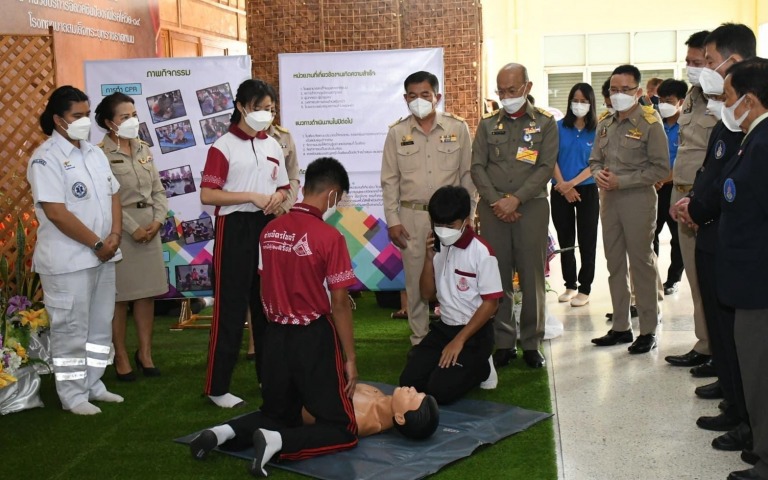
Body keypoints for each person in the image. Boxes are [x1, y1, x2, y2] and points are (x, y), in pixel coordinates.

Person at [200, 157, 358, 476]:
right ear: (332, 194)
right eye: (339, 199)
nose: (337, 205)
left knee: (277, 413)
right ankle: (279, 442)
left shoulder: (271, 229)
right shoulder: (330, 237)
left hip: (274, 337)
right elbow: (340, 304)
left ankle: (224, 433)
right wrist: (350, 357)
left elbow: (263, 283)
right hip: (311, 336)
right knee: (342, 429)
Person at [673, 23, 755, 458]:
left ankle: (747, 418)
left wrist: (700, 206)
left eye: (708, 63)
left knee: (739, 334)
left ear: (733, 63)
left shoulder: (749, 112)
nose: (702, 71)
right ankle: (732, 397)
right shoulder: (726, 112)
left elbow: (735, 180)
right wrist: (693, 203)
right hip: (707, 225)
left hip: (731, 236)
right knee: (724, 332)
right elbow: (711, 166)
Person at [26, 86, 123, 415]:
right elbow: (55, 211)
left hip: (105, 254)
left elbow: (113, 194)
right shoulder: (46, 158)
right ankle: (71, 394)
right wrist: (96, 243)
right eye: (76, 116)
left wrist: (114, 234)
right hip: (68, 261)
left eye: (86, 114)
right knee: (70, 328)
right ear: (58, 119)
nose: (84, 121)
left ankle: (93, 383)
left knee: (99, 323)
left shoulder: (94, 153)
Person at [200, 79, 290, 408]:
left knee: (267, 306)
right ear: (241, 107)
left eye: (271, 109)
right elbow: (208, 194)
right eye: (261, 108)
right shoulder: (223, 147)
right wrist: (250, 196)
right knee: (230, 308)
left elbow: (283, 186)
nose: (267, 114)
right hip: (234, 227)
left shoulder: (273, 145)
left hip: (267, 226)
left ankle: (270, 378)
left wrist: (277, 197)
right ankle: (217, 387)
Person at [471, 63, 557, 369]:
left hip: (531, 207)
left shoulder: (546, 123)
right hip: (493, 210)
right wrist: (498, 202)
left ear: (527, 87)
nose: (506, 96)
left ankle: (532, 342)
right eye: (501, 91)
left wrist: (516, 200)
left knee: (532, 276)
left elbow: (546, 167)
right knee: (498, 274)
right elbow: (477, 167)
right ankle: (504, 342)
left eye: (512, 90)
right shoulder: (487, 124)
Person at [381, 71, 476, 346]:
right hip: (412, 218)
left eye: (425, 95)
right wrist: (392, 220)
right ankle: (419, 342)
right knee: (415, 284)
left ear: (437, 97)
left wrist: (468, 215)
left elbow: (468, 176)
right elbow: (389, 181)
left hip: (452, 220)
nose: (419, 101)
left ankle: (459, 338)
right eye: (413, 96)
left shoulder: (457, 128)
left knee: (457, 278)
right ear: (405, 98)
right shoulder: (397, 133)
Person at [589, 64, 669, 354]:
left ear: (638, 90)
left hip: (638, 200)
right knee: (614, 264)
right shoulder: (605, 123)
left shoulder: (650, 122)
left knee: (641, 264)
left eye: (625, 90)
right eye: (614, 90)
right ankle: (621, 326)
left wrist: (622, 181)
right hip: (608, 201)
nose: (618, 95)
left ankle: (648, 329)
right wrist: (598, 173)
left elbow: (661, 168)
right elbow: (594, 159)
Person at [715, 57, 768, 480]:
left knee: (761, 374)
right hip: (748, 279)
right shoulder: (754, 139)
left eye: (729, 97)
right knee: (754, 371)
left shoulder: (765, 144)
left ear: (749, 101)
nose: (725, 104)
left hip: (760, 284)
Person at [399, 186, 502, 403]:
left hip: (475, 332)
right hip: (444, 327)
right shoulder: (439, 246)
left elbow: (492, 303)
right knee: (409, 382)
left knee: (439, 391)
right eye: (438, 225)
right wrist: (428, 258)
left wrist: (459, 340)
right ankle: (448, 363)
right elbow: (428, 294)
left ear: (466, 220)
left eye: (450, 225)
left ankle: (483, 366)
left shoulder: (481, 252)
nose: (443, 230)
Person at [94, 92, 168, 381]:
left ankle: (145, 354)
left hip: (150, 228)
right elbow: (104, 197)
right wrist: (130, 228)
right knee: (120, 299)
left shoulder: (144, 148)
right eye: (125, 117)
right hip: (120, 230)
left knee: (147, 295)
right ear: (108, 123)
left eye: (134, 115)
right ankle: (121, 356)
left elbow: (159, 191)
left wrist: (158, 220)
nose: (132, 121)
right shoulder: (100, 154)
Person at [189, 383, 440, 465]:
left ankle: (222, 432)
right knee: (276, 414)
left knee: (279, 416)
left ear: (400, 418)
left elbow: (310, 417)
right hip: (304, 384)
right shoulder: (377, 394)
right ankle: (223, 433)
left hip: (300, 402)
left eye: (413, 398)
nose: (412, 389)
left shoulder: (363, 421)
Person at [663, 30, 715, 371]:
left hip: (702, 199)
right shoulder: (695, 95)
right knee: (695, 279)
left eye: (699, 62)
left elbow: (715, 156)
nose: (692, 69)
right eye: (689, 63)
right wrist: (676, 193)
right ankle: (705, 341)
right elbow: (685, 148)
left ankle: (713, 347)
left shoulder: (724, 97)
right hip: (682, 194)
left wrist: (695, 197)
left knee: (708, 280)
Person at [550, 83, 599, 308]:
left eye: (583, 101)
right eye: (575, 100)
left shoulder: (598, 130)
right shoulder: (558, 127)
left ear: (591, 103)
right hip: (560, 189)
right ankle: (570, 284)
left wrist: (573, 184)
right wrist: (563, 185)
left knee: (587, 239)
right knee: (566, 238)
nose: (579, 104)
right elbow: (550, 158)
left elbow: (598, 162)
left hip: (587, 189)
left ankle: (585, 287)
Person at [652, 79, 688, 296]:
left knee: (678, 236)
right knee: (651, 233)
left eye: (669, 101)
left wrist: (663, 179)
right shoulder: (655, 123)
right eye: (661, 100)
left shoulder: (687, 127)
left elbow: (686, 162)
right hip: (654, 187)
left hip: (676, 187)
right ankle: (652, 277)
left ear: (680, 102)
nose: (664, 105)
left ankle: (673, 278)